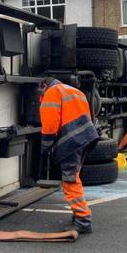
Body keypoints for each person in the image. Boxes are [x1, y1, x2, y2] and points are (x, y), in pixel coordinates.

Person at [39, 77, 99, 234]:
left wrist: (45, 147)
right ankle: (78, 214)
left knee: (70, 180)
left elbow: (50, 124)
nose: (41, 96)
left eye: (41, 92)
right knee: (75, 176)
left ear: (45, 86)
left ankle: (83, 219)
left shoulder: (52, 92)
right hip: (86, 138)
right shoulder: (74, 91)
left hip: (71, 142)